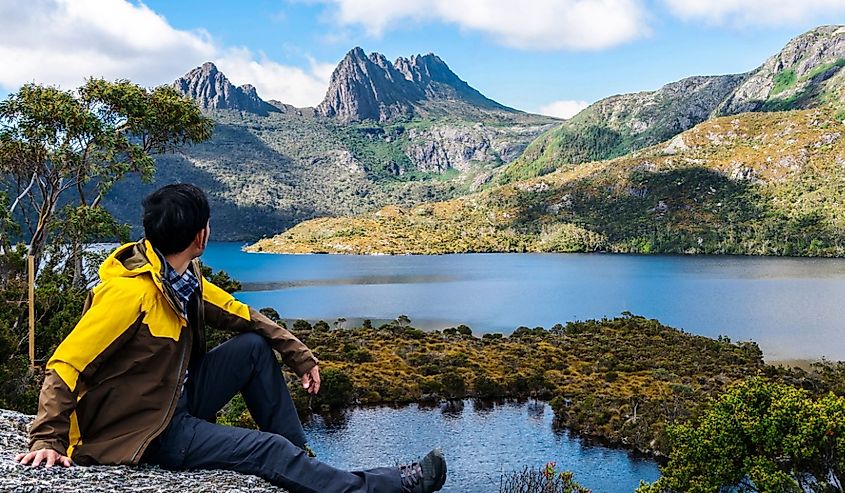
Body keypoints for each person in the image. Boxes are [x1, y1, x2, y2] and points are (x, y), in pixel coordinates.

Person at [15, 183, 447, 493]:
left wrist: (298, 354)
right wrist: (47, 440)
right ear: (200, 235)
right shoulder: (129, 294)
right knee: (267, 450)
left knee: (255, 349)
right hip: (145, 431)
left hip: (169, 399)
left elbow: (241, 315)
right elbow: (64, 364)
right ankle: (380, 486)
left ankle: (301, 467)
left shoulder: (179, 278)